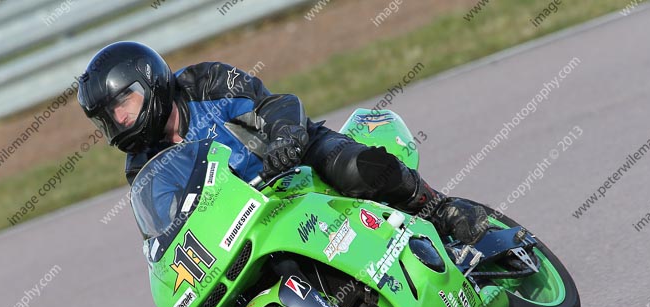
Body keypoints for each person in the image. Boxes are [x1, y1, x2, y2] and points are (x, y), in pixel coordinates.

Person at [77, 41, 487, 244]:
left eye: (122, 104)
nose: (119, 120)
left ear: (148, 81)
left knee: (363, 169)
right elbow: (166, 227)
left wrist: (286, 138)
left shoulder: (204, 83)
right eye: (107, 118)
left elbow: (272, 103)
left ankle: (442, 209)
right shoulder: (141, 166)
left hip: (293, 161)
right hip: (247, 220)